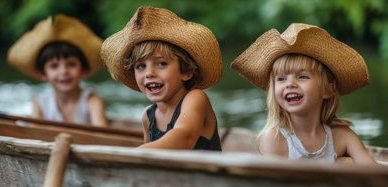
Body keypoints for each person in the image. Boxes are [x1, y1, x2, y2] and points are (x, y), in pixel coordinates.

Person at [231, 23, 377, 165]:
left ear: (327, 90)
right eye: (281, 79)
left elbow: (374, 174)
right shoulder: (276, 139)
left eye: (302, 77)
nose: (290, 84)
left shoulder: (342, 136)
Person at [101, 7, 222, 150]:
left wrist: (136, 153)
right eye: (140, 66)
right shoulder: (148, 117)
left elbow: (185, 137)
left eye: (161, 64)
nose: (149, 73)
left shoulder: (196, 98)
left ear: (186, 72)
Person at [7, 14, 108, 127]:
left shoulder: (92, 100)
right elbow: (35, 133)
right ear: (43, 74)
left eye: (71, 64)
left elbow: (101, 133)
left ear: (83, 70)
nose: (64, 71)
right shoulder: (40, 103)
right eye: (54, 66)